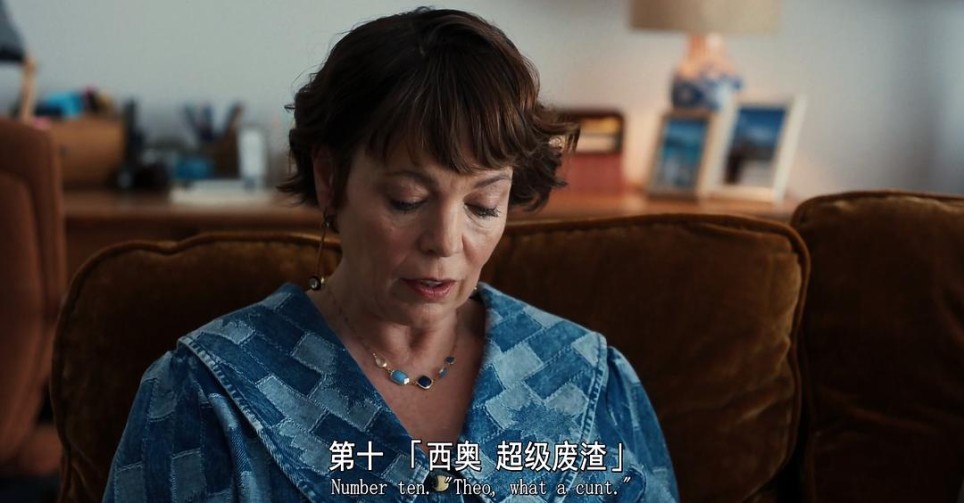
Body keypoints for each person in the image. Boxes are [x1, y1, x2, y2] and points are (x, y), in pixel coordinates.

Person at [104, 7, 678, 502]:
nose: (445, 241)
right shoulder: (209, 392)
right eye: (407, 200)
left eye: (482, 205)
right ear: (330, 179)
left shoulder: (583, 378)